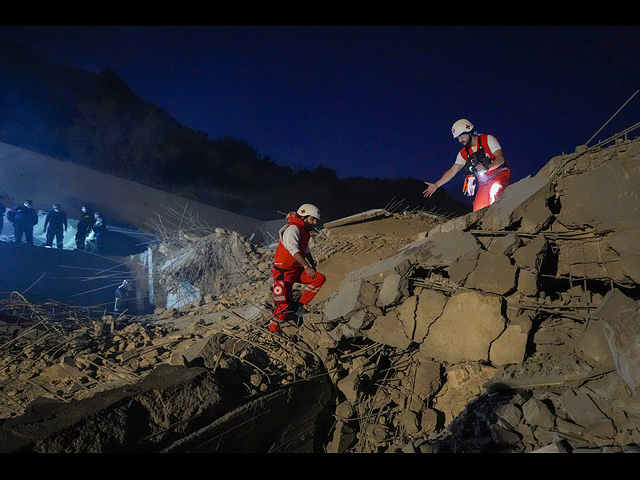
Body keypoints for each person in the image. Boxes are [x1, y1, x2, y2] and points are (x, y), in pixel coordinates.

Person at [423, 119, 511, 212]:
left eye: (461, 136)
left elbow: (500, 159)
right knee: (478, 210)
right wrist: (436, 185)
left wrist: (487, 168)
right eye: (458, 138)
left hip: (500, 175)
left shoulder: (488, 139)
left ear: (469, 132)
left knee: (495, 191)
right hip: (483, 183)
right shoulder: (463, 153)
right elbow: (452, 171)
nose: (460, 140)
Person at [269, 203, 326, 333]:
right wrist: (306, 266)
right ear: (304, 217)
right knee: (283, 303)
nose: (315, 222)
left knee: (318, 279)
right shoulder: (292, 229)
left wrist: (312, 266)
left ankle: (299, 305)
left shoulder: (304, 231)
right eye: (313, 219)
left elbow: (305, 251)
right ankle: (273, 329)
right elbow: (293, 250)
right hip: (283, 272)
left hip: (295, 270)